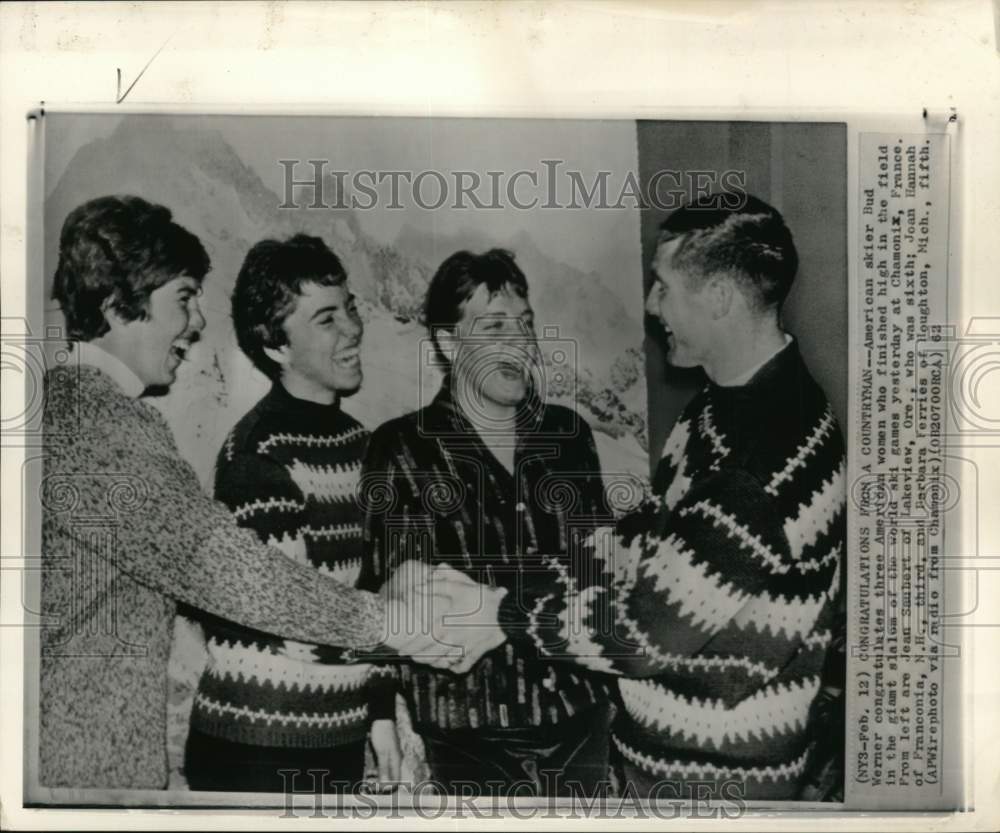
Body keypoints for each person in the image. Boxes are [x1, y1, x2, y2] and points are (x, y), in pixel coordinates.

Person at [406, 196, 847, 802]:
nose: (650, 305)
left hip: (716, 782)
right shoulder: (716, 408)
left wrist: (501, 615)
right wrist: (505, 596)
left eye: (663, 287)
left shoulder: (768, 451)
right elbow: (634, 540)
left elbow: (647, 631)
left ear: (718, 298)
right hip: (659, 764)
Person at [39, 196, 443, 790]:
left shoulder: (88, 412)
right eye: (183, 296)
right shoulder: (94, 423)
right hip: (81, 768)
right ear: (118, 305)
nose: (197, 322)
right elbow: (230, 571)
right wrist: (392, 623)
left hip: (91, 762)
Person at [359, 249, 617, 798]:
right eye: (495, 326)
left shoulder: (568, 436)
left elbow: (604, 562)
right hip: (471, 733)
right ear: (450, 344)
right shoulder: (405, 448)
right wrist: (380, 713)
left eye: (525, 325)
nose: (520, 343)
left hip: (582, 713)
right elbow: (386, 598)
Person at [181, 234, 400, 793]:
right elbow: (290, 615)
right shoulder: (257, 454)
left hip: (338, 740)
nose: (352, 328)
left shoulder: (366, 445)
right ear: (275, 345)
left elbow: (375, 589)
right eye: (326, 319)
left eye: (349, 308)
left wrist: (379, 719)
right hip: (255, 748)